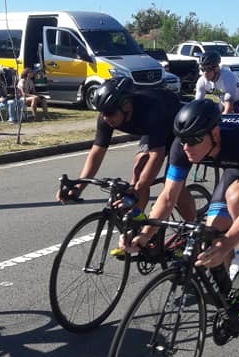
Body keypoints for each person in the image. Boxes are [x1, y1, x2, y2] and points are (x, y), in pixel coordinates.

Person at [124, 99, 239, 319]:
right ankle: (227, 292)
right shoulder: (183, 146)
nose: (187, 148)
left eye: (194, 141)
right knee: (211, 230)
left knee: (237, 199)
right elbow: (168, 197)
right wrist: (145, 235)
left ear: (214, 133)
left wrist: (228, 243)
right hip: (235, 165)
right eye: (183, 141)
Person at [58, 77, 197, 249]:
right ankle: (138, 222)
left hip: (176, 128)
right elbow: (97, 152)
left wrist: (136, 192)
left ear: (127, 106)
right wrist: (78, 186)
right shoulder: (107, 116)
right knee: (138, 172)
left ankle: (194, 233)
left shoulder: (151, 110)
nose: (105, 118)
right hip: (152, 131)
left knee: (173, 186)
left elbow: (157, 156)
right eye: (102, 113)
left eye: (109, 113)